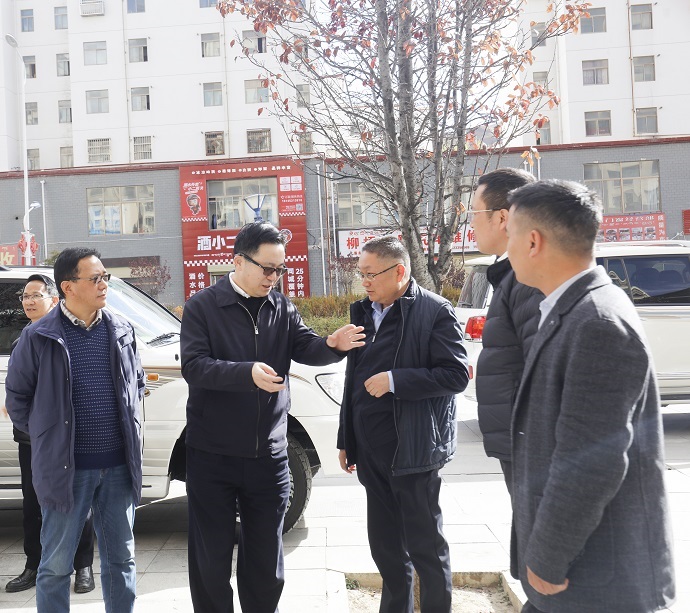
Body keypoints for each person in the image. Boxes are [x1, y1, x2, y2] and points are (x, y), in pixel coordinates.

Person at [505, 180, 675, 612]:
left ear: (533, 241)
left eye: (510, 236)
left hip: (595, 579)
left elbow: (591, 460)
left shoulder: (598, 322)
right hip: (579, 575)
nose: (507, 249)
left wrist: (548, 557)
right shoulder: (575, 308)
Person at [180, 221, 365, 613]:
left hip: (269, 455)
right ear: (238, 262)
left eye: (280, 269)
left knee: (266, 561)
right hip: (212, 455)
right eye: (267, 268)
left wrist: (332, 345)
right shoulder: (203, 307)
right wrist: (245, 373)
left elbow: (306, 346)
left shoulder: (281, 307)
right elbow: (194, 367)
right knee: (210, 559)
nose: (273, 277)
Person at [5, 248, 145, 613]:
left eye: (105, 277)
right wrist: (49, 438)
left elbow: (137, 382)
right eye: (95, 279)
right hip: (67, 470)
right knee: (55, 566)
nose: (104, 285)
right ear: (68, 287)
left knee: (122, 560)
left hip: (118, 467)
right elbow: (17, 399)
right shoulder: (37, 336)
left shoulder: (121, 329)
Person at [337, 236, 469, 613]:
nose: (364, 282)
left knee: (425, 548)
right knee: (386, 549)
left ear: (399, 272)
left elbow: (456, 375)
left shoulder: (434, 311)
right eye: (361, 274)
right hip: (371, 450)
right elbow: (353, 380)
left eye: (370, 274)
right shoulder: (362, 312)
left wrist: (395, 380)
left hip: (413, 449)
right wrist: (347, 438)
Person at [5, 275, 96, 595]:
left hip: (68, 437)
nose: (29, 301)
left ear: (55, 300)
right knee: (33, 503)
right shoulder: (21, 341)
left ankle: (83, 566)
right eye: (25, 296)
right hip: (32, 440)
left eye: (36, 295)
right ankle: (34, 564)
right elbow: (17, 393)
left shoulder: (68, 337)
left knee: (77, 500)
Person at [469, 168, 542, 494]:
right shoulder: (512, 273)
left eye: (474, 213)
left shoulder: (527, 278)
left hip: (531, 443)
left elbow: (542, 370)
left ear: (501, 218)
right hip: (520, 438)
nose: (471, 224)